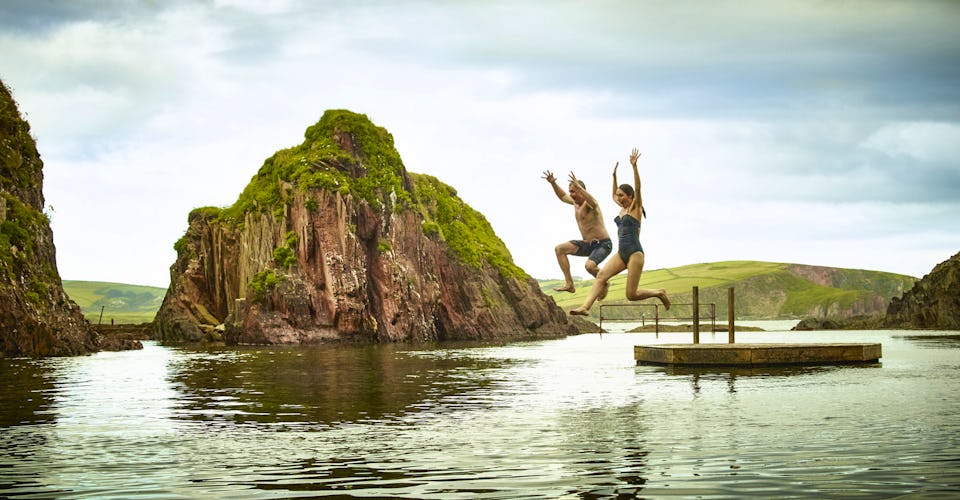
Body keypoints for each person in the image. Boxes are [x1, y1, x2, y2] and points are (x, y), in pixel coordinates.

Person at [570, 148, 670, 315]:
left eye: (622, 195)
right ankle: (585, 307)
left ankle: (659, 292)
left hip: (634, 254)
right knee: (601, 276)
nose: (619, 198)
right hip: (621, 253)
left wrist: (634, 167)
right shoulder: (622, 210)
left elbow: (638, 188)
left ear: (630, 197)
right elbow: (613, 195)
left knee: (631, 295)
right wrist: (614, 177)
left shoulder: (635, 208)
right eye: (618, 195)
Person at [542, 169, 613, 297]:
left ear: (581, 191)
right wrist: (553, 183)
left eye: (574, 191)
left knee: (589, 266)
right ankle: (569, 284)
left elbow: (595, 202)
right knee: (560, 249)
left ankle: (605, 281)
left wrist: (579, 186)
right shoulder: (575, 203)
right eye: (571, 192)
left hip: (603, 244)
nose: (572, 194)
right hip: (588, 244)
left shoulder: (590, 205)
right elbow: (563, 197)